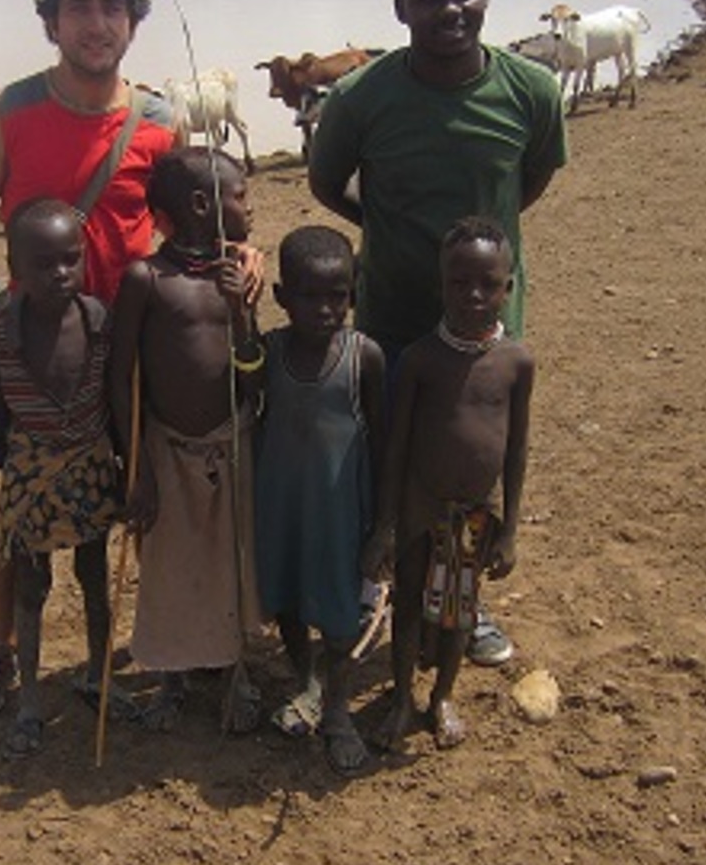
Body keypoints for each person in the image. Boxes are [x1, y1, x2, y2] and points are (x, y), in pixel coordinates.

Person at [306, 0, 566, 668]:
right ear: (400, 8)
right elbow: (329, 184)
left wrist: (482, 253)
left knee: (471, 467)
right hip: (390, 314)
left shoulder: (531, 91)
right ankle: (376, 583)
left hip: (486, 332)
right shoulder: (360, 100)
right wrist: (382, 226)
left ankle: (466, 604)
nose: (450, 9)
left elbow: (531, 183)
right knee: (384, 454)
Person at [0, 0, 177, 723]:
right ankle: (3, 653)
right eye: (78, 5)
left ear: (133, 22)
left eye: (113, 6)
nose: (96, 23)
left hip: (124, 347)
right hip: (29, 351)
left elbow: (181, 224)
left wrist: (242, 248)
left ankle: (142, 647)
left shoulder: (162, 121)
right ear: (49, 22)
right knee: (18, 500)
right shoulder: (5, 110)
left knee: (137, 489)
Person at [0, 199, 127, 757]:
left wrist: (132, 472)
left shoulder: (100, 321)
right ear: (16, 265)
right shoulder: (0, 333)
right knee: (31, 587)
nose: (60, 273)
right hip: (30, 477)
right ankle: (28, 705)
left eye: (71, 259)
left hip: (91, 469)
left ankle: (96, 676)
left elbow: (117, 403)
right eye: (44, 264)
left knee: (95, 578)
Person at [109, 147, 266, 735]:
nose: (249, 207)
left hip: (232, 441)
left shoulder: (239, 275)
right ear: (203, 205)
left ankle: (234, 673)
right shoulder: (147, 280)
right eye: (240, 196)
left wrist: (240, 310)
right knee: (171, 568)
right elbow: (122, 379)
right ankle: (171, 676)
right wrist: (136, 468)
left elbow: (253, 366)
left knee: (231, 561)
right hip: (166, 451)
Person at [362, 218, 534, 751]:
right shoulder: (420, 361)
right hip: (419, 506)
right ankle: (400, 699)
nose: (474, 295)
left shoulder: (516, 362)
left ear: (509, 288)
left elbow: (517, 448)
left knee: (459, 609)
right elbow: (396, 448)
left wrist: (508, 530)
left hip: (474, 513)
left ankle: (441, 697)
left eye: (489, 284)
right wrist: (387, 525)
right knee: (409, 604)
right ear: (441, 286)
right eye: (459, 283)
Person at [251, 225, 386, 773]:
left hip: (338, 512)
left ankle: (337, 709)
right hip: (279, 506)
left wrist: (384, 525)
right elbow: (240, 396)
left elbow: (384, 440)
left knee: (339, 612)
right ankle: (302, 681)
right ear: (282, 297)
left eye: (339, 295)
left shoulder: (364, 357)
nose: (326, 308)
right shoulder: (268, 351)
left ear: (354, 294)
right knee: (284, 596)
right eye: (309, 295)